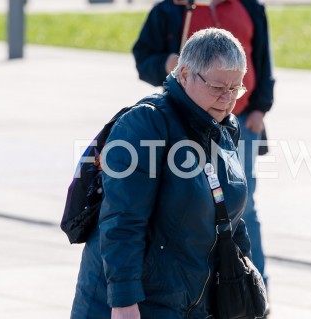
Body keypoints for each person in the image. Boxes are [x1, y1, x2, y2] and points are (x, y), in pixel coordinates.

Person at [71, 28, 252, 319]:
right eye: (218, 87)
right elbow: (122, 220)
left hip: (191, 303)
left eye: (235, 88)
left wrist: (243, 277)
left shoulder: (224, 127)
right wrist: (123, 302)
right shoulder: (145, 124)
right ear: (184, 75)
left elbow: (230, 215)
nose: (227, 99)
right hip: (134, 303)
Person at [132, 0, 275, 289]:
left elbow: (262, 59)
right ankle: (202, 283)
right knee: (192, 206)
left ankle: (253, 286)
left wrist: (260, 108)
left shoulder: (250, 7)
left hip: (243, 121)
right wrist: (166, 64)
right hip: (188, 125)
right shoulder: (170, 9)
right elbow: (143, 58)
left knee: (244, 208)